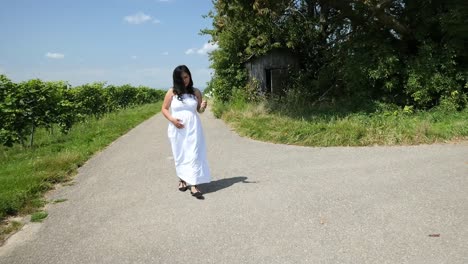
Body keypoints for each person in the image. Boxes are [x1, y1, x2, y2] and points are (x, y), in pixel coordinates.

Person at [161, 65, 211, 199]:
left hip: (194, 128)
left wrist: (202, 107)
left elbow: (199, 111)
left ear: (190, 76)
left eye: (186, 77)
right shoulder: (172, 92)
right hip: (177, 129)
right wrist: (172, 120)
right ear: (176, 79)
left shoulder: (196, 92)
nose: (184, 80)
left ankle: (194, 184)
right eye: (181, 78)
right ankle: (182, 179)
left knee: (194, 154)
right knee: (180, 154)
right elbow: (164, 109)